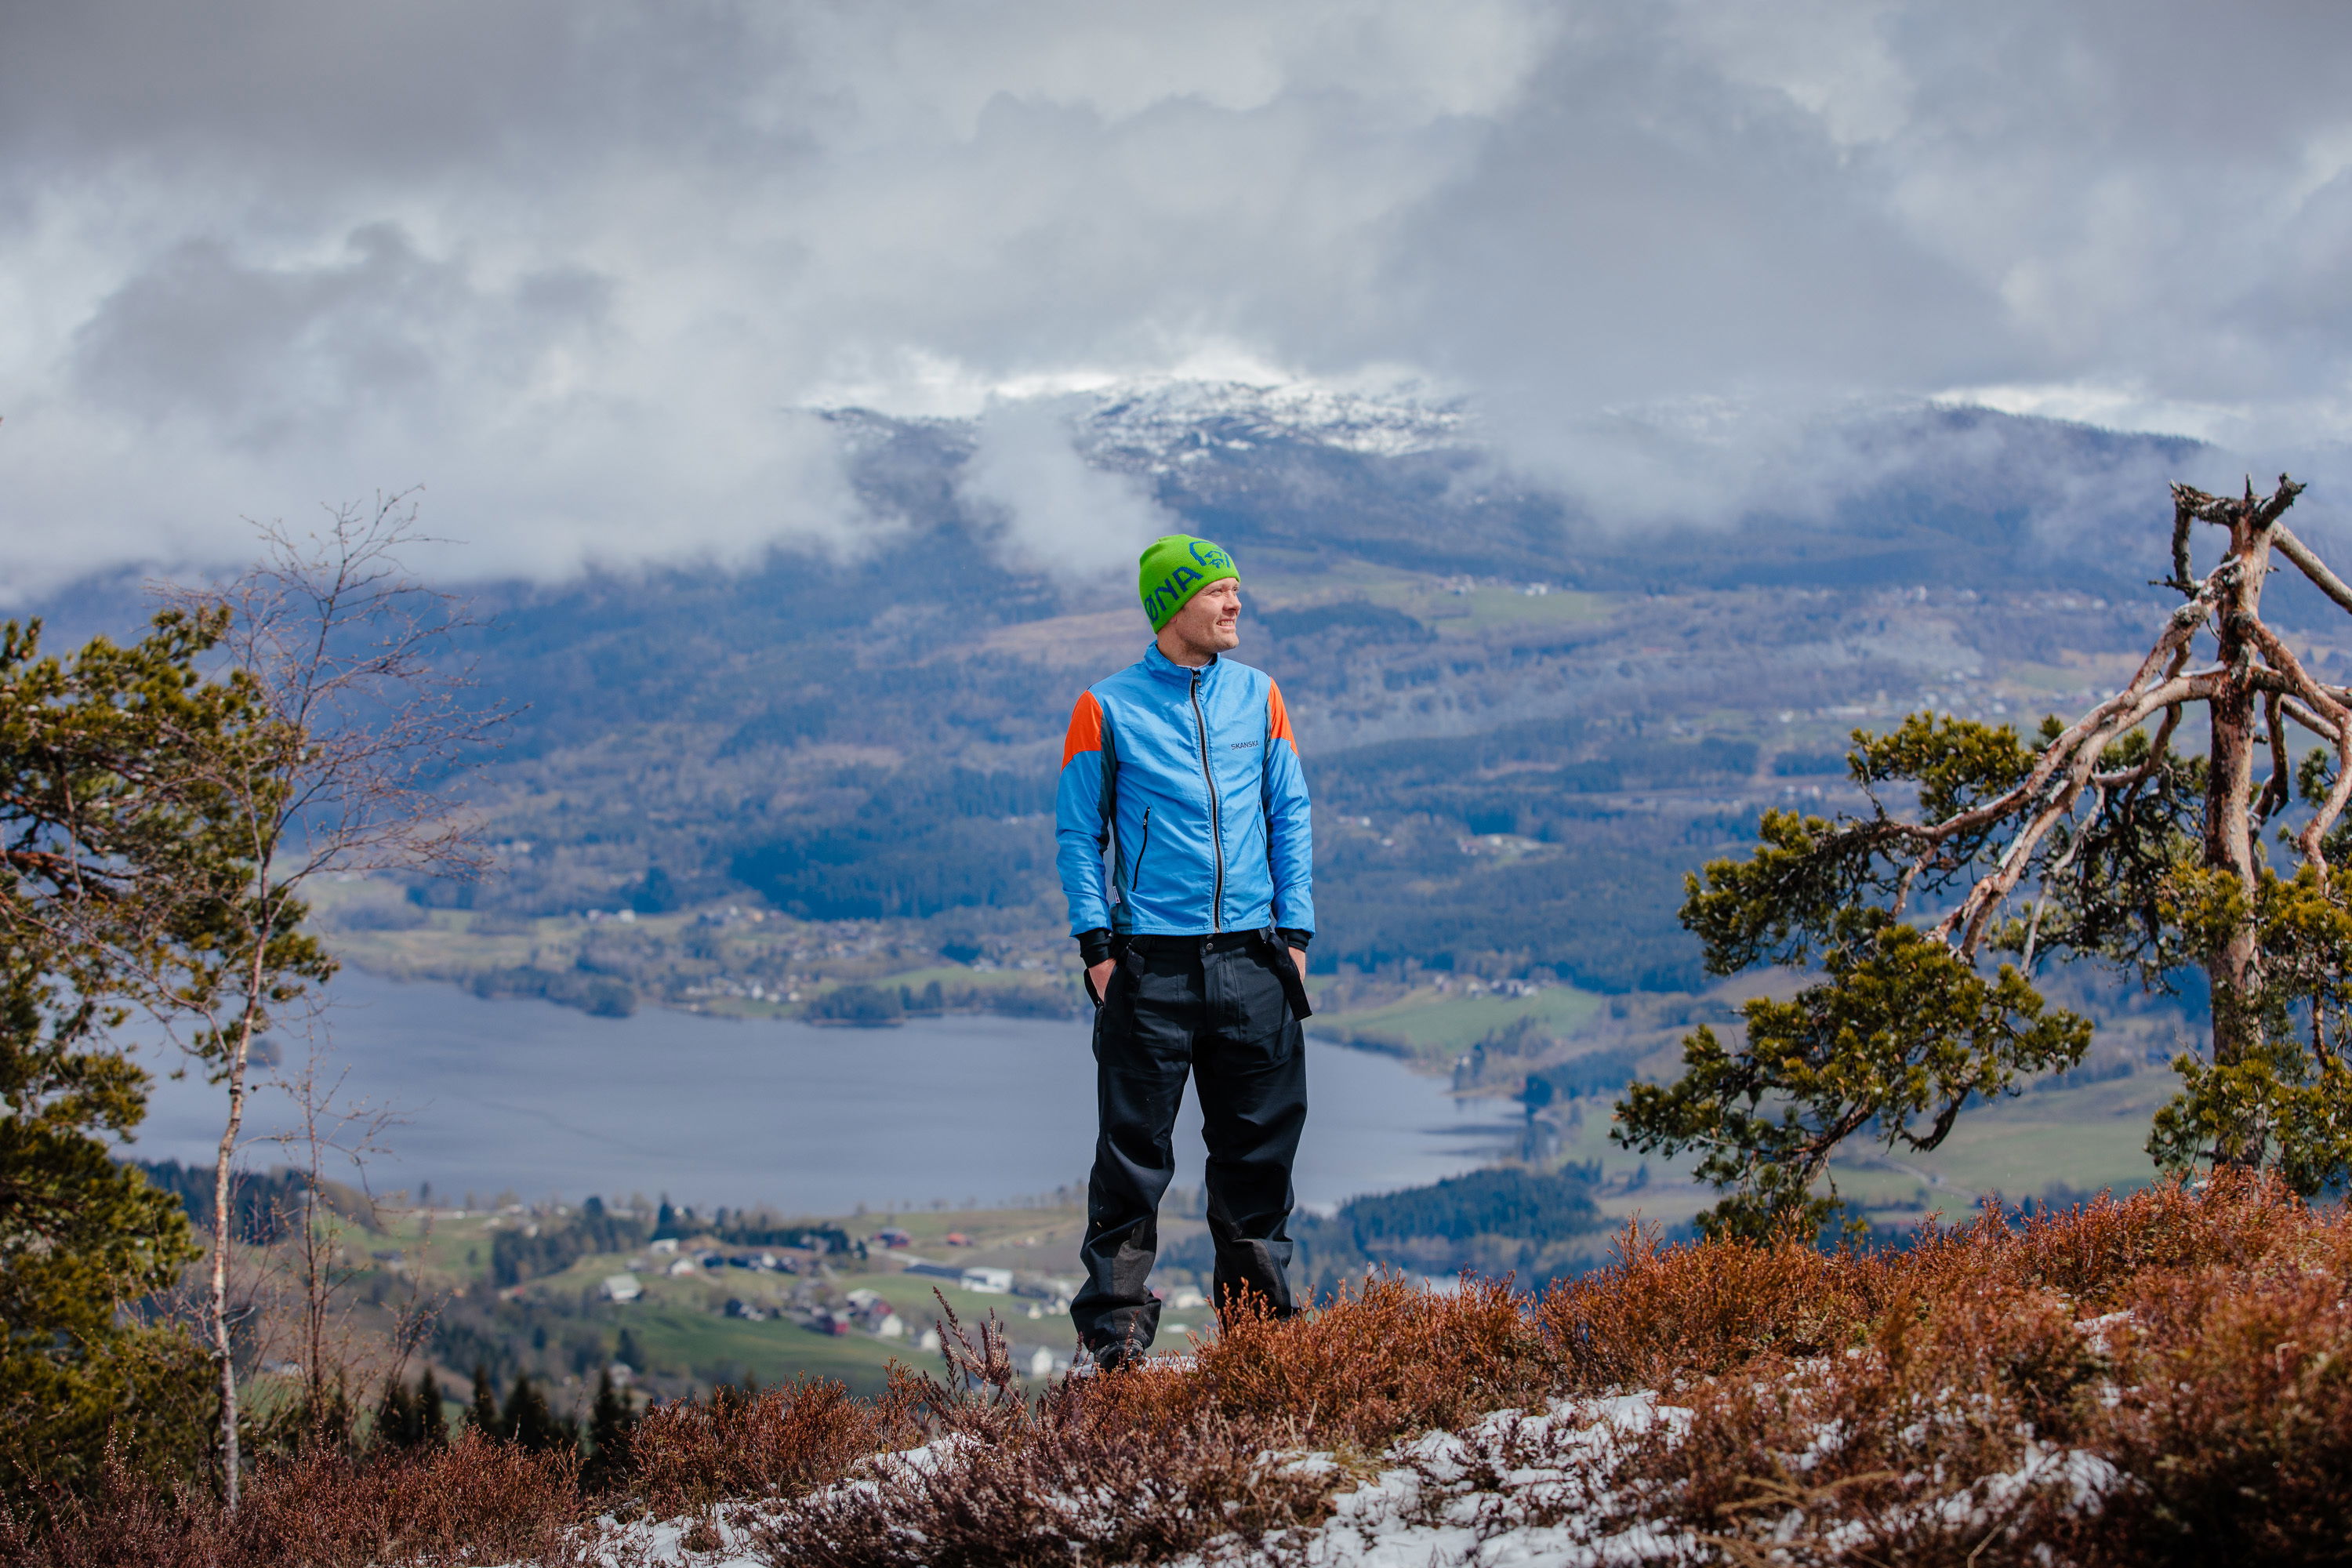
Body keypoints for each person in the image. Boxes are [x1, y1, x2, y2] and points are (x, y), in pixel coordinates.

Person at [1054, 533, 1316, 1369]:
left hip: (1255, 960)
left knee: (1258, 1160)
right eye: (1219, 592)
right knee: (1131, 1166)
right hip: (1148, 969)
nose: (1235, 604)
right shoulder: (1106, 705)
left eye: (1237, 588)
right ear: (1174, 607)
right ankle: (1118, 1349)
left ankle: (1262, 1344)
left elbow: (1291, 816)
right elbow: (1076, 832)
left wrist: (1297, 936)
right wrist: (1098, 949)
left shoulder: (1261, 695)